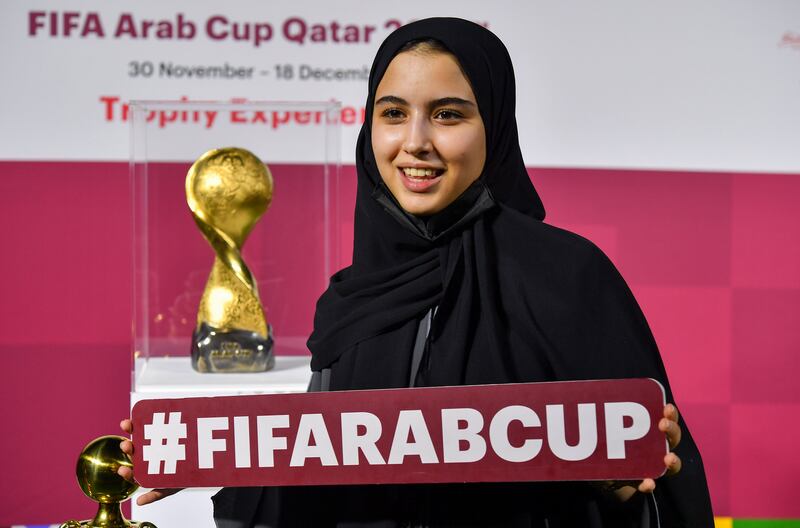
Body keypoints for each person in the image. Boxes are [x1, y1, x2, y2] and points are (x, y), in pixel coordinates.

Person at [121, 17, 713, 527]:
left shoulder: (568, 275)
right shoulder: (350, 299)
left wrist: (619, 488)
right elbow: (329, 475)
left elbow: (653, 482)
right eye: (393, 113)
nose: (415, 142)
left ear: (495, 128)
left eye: (448, 115)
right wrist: (208, 463)